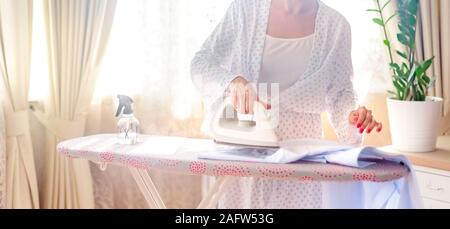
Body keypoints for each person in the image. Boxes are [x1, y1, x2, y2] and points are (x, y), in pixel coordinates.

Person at [191, 0, 383, 208]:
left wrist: (352, 117)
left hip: (301, 166)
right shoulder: (244, 9)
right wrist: (232, 82)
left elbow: (340, 95)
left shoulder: (336, 26)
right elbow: (201, 64)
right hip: (244, 160)